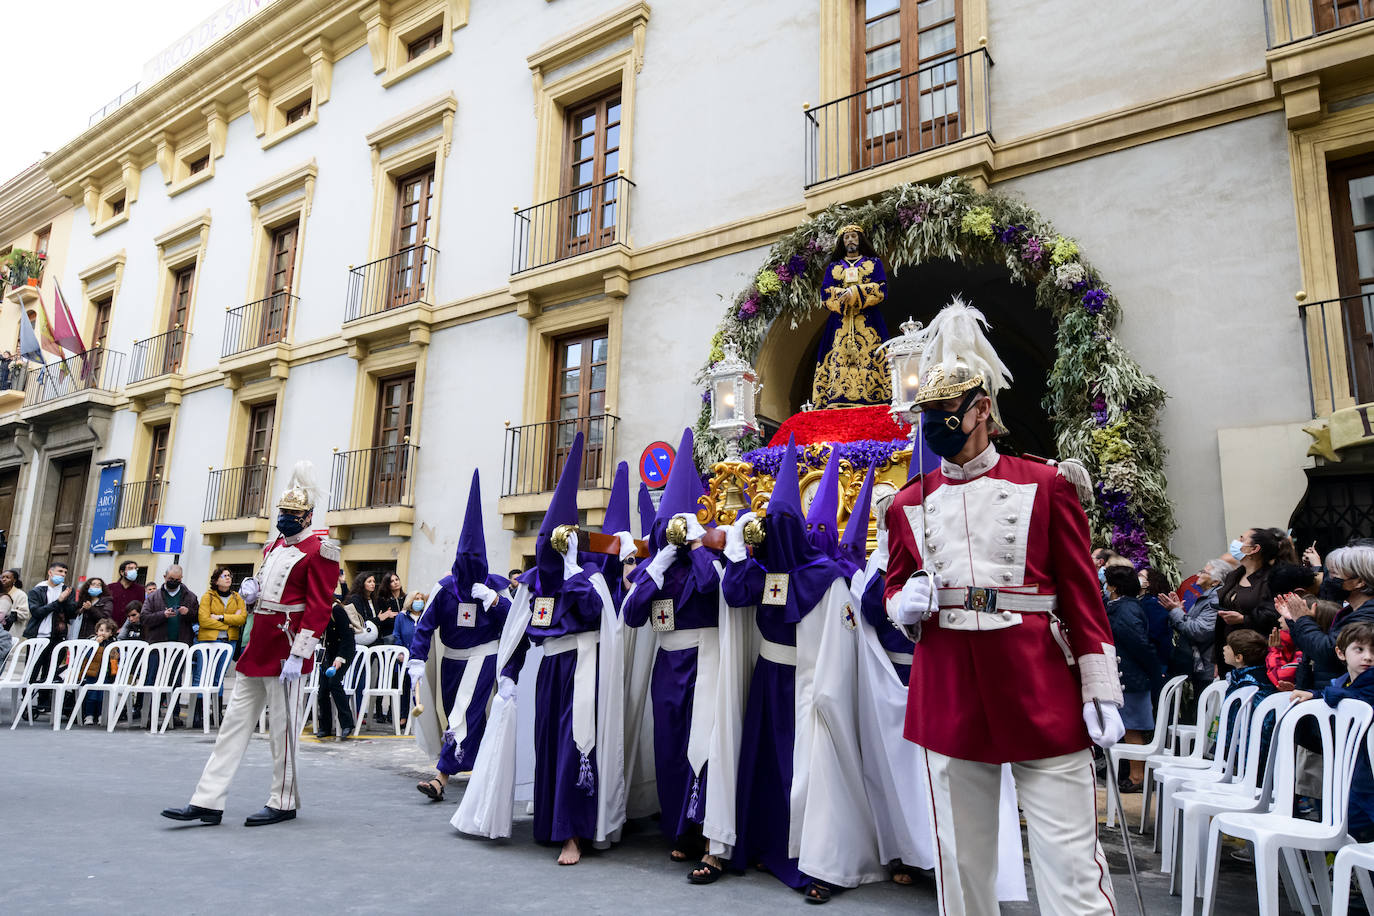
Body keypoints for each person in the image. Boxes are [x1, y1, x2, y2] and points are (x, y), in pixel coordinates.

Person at [884, 299, 1122, 915]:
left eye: (945, 412)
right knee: (961, 867)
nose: (933, 425)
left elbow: (1081, 594)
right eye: (926, 415)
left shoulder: (1046, 484)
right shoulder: (906, 502)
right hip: (950, 688)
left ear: (981, 410)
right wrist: (902, 604)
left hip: (1038, 681)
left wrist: (1100, 687)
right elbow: (895, 585)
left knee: (1071, 864)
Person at [453, 433, 625, 867]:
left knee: (575, 745)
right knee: (549, 744)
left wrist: (574, 573)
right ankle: (552, 822)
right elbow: (519, 633)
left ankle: (575, 834)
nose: (548, 549)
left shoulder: (588, 576)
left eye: (556, 541)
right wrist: (508, 675)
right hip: (549, 670)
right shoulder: (532, 584)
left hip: (583, 665)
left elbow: (598, 615)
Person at [720, 436, 879, 902]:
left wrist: (826, 693)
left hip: (806, 684)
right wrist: (736, 547)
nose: (770, 534)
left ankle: (809, 858)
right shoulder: (762, 570)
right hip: (768, 678)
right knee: (763, 763)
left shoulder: (825, 578)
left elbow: (839, 642)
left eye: (776, 526)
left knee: (801, 771)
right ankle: (759, 843)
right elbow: (734, 593)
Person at [162, 461, 339, 827]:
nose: (286, 517)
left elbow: (320, 607)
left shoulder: (320, 552)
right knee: (232, 726)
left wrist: (300, 653)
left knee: (283, 731)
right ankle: (207, 800)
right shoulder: (273, 546)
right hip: (257, 645)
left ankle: (284, 799)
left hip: (287, 648)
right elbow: (266, 592)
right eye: (283, 512)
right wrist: (253, 592)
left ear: (307, 516)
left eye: (293, 513)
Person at [621, 428, 730, 879]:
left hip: (705, 659)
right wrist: (660, 562)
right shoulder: (657, 567)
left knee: (704, 746)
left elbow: (712, 587)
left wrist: (699, 543)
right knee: (669, 745)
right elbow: (631, 615)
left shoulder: (708, 560)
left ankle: (709, 832)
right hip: (668, 665)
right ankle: (680, 829)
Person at [411, 471, 518, 802]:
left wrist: (494, 601)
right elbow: (425, 625)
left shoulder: (497, 585)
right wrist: (416, 658)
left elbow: (515, 623)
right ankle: (485, 766)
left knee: (463, 715)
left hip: (484, 655)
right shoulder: (444, 589)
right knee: (456, 712)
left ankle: (441, 777)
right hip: (451, 660)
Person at [1290, 620, 1374, 842]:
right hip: (1352, 766)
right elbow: (1340, 692)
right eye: (1360, 649)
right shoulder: (1344, 682)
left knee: (1361, 820)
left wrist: (1325, 694)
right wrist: (1315, 695)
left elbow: (1354, 699)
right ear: (1340, 652)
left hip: (1367, 769)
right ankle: (1354, 871)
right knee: (1351, 821)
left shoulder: (1367, 683)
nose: (1368, 657)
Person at [811, 223, 890, 408]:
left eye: (854, 236)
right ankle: (835, 397)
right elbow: (825, 293)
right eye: (846, 238)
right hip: (841, 322)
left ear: (860, 239)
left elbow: (882, 288)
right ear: (842, 242)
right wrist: (840, 295)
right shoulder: (834, 267)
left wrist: (856, 292)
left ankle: (876, 396)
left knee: (873, 354)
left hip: (868, 320)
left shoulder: (873, 263)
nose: (850, 240)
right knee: (836, 353)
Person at [1284, 544, 1374, 689]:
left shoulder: (1368, 614)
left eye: (1335, 575)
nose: (1329, 580)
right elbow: (1311, 646)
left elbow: (1329, 652)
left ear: (1359, 582)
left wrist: (1302, 619)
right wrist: (1295, 620)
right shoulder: (1352, 610)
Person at [1104, 564, 1161, 792]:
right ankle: (1133, 773)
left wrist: (1152, 669)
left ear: (1115, 587)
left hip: (1130, 675)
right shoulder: (1119, 605)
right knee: (1127, 726)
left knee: (1132, 727)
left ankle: (1138, 776)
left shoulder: (1126, 609)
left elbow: (1138, 643)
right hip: (1125, 672)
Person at [1214, 528, 1284, 673]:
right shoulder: (1233, 576)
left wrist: (1244, 619)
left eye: (1241, 539)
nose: (1236, 542)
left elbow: (1274, 614)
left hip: (1256, 653)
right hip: (1229, 652)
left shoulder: (1272, 578)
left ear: (1254, 549)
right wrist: (1216, 658)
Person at [1159, 557, 1235, 691]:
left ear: (1215, 581)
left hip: (1209, 668)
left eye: (1204, 572)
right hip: (1202, 666)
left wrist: (1175, 611)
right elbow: (1190, 625)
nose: (1198, 575)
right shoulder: (1207, 597)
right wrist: (1179, 611)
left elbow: (1198, 631)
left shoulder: (1215, 600)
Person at [141, 565, 197, 727]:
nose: (173, 582)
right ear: (165, 577)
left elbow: (198, 616)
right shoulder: (153, 597)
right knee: (153, 680)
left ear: (181, 579)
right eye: (170, 579)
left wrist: (188, 613)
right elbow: (144, 618)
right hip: (157, 645)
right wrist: (162, 615)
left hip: (180, 645)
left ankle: (174, 714)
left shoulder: (190, 596)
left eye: (177, 580)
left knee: (175, 681)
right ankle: (152, 713)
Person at [25, 562, 79, 716]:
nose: (62, 575)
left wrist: (70, 602)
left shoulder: (66, 590)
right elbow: (37, 612)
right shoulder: (38, 590)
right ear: (50, 572)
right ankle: (27, 702)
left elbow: (71, 613)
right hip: (37, 637)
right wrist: (58, 601)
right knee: (32, 671)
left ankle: (43, 703)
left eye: (65, 572)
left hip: (57, 637)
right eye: (60, 571)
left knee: (50, 671)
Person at [195, 567, 246, 727]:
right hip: (208, 641)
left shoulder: (237, 597)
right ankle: (199, 713)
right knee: (202, 676)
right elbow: (203, 620)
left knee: (219, 677)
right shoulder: (207, 597)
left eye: (229, 576)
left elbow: (242, 619)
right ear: (216, 580)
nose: (228, 578)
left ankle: (216, 712)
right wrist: (228, 623)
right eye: (224, 576)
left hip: (228, 642)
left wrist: (220, 617)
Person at [316, 600, 357, 739]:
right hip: (327, 653)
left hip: (343, 652)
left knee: (334, 683)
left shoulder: (337, 610)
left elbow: (348, 637)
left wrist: (339, 658)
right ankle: (325, 727)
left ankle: (347, 723)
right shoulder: (317, 609)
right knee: (322, 689)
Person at [80, 617, 120, 726]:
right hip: (93, 673)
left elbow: (117, 658)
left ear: (112, 633)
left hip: (107, 673)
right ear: (97, 631)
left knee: (102, 695)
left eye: (107, 631)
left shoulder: (113, 644)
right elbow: (87, 656)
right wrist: (95, 645)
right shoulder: (92, 642)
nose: (104, 633)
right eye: (101, 630)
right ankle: (89, 716)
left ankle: (102, 715)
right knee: (92, 695)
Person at [0, 568, 29, 672]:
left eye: (7, 577)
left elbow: (25, 613)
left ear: (14, 580)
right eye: (2, 577)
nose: (4, 579)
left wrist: (10, 612)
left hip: (11, 629)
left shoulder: (20, 595)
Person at [107, 560, 144, 627]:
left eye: (135, 569)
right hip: (110, 627)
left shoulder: (140, 589)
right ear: (122, 572)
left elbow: (141, 609)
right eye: (130, 568)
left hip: (130, 627)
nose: (134, 571)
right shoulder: (110, 587)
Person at [376, 572, 404, 644]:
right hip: (389, 635)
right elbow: (381, 619)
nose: (395, 582)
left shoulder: (406, 598)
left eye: (397, 579)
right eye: (392, 581)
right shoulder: (382, 600)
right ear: (387, 585)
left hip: (404, 634)